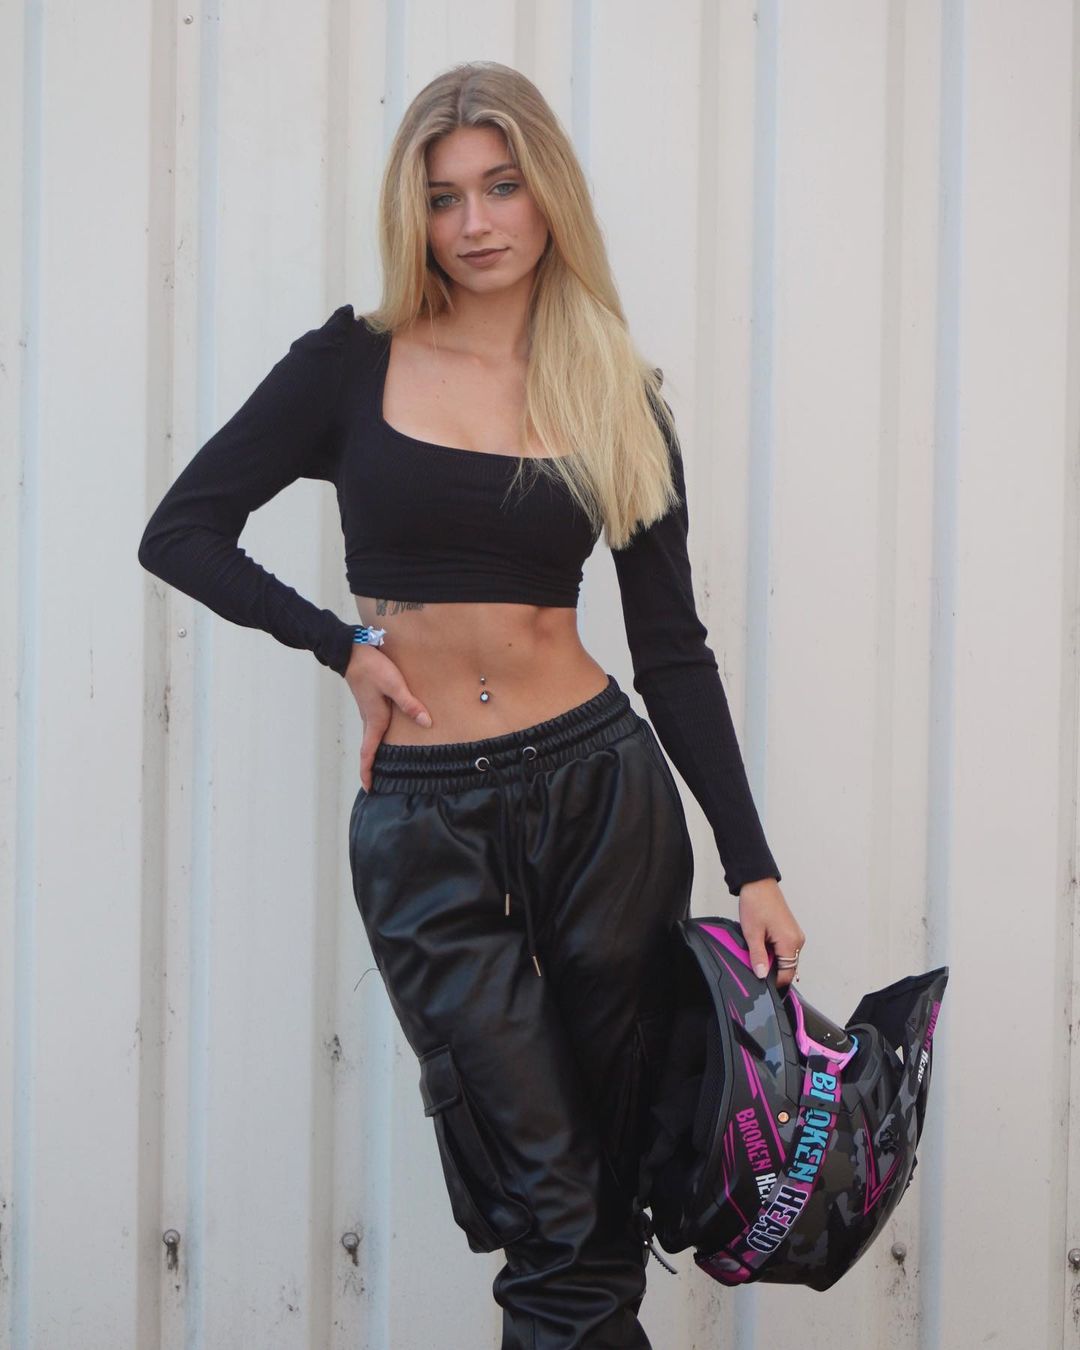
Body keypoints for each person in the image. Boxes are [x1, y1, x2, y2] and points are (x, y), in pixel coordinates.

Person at [138, 59, 805, 1350]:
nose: (476, 223)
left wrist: (755, 866)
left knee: (604, 1204)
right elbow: (184, 531)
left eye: (502, 187)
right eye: (444, 199)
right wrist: (340, 644)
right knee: (549, 1207)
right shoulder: (351, 363)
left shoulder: (615, 390)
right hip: (427, 822)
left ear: (550, 194)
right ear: (415, 214)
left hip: (602, 800)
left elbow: (672, 652)